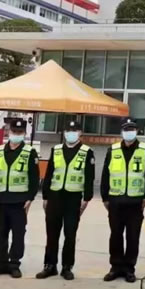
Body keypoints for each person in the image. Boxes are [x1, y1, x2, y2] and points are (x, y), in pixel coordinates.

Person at [36, 120, 96, 280]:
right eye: (68, 130)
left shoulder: (87, 152)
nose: (71, 133)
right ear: (64, 133)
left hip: (73, 198)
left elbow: (89, 177)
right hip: (55, 197)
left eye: (74, 130)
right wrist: (45, 196)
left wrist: (87, 198)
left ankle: (67, 267)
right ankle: (50, 265)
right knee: (51, 233)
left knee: (70, 234)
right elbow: (49, 175)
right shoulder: (56, 150)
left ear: (80, 133)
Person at [101, 117, 145, 283]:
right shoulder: (113, 150)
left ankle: (129, 268)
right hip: (116, 201)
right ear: (121, 131)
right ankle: (115, 267)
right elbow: (105, 175)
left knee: (133, 237)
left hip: (135, 202)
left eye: (132, 129)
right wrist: (105, 197)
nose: (129, 132)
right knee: (115, 236)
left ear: (137, 131)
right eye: (126, 129)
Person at [0, 119, 39, 278]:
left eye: (20, 132)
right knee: (0, 233)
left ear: (24, 133)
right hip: (1, 200)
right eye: (14, 131)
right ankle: (1, 263)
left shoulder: (29, 152)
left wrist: (30, 197)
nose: (16, 134)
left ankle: (14, 263)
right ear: (9, 131)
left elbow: (34, 177)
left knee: (18, 234)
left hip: (19, 201)